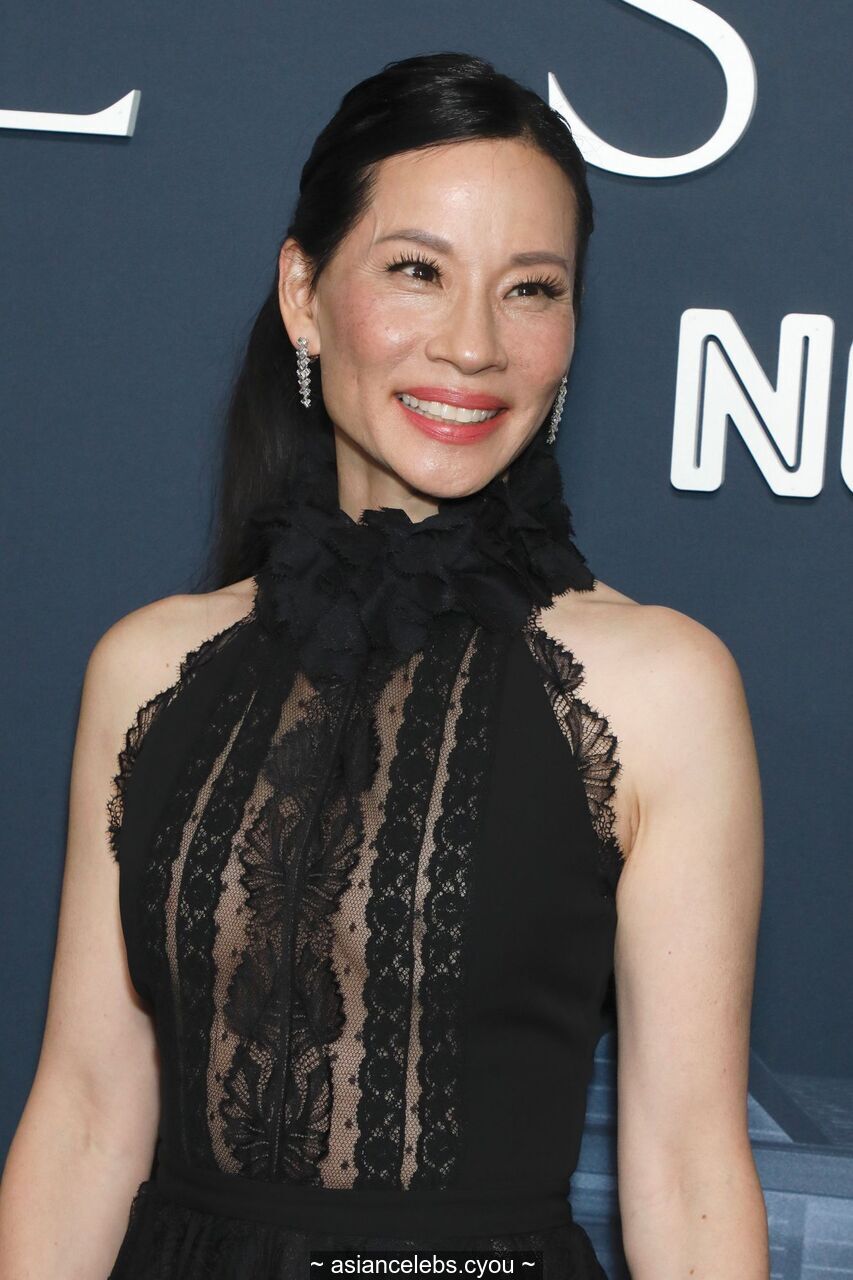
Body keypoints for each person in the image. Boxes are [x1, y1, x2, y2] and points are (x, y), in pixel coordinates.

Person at [0, 51, 769, 1280]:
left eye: (530, 289)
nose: (473, 344)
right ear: (303, 294)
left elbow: (685, 1164)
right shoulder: (146, 665)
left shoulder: (660, 685)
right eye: (418, 270)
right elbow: (88, 1109)